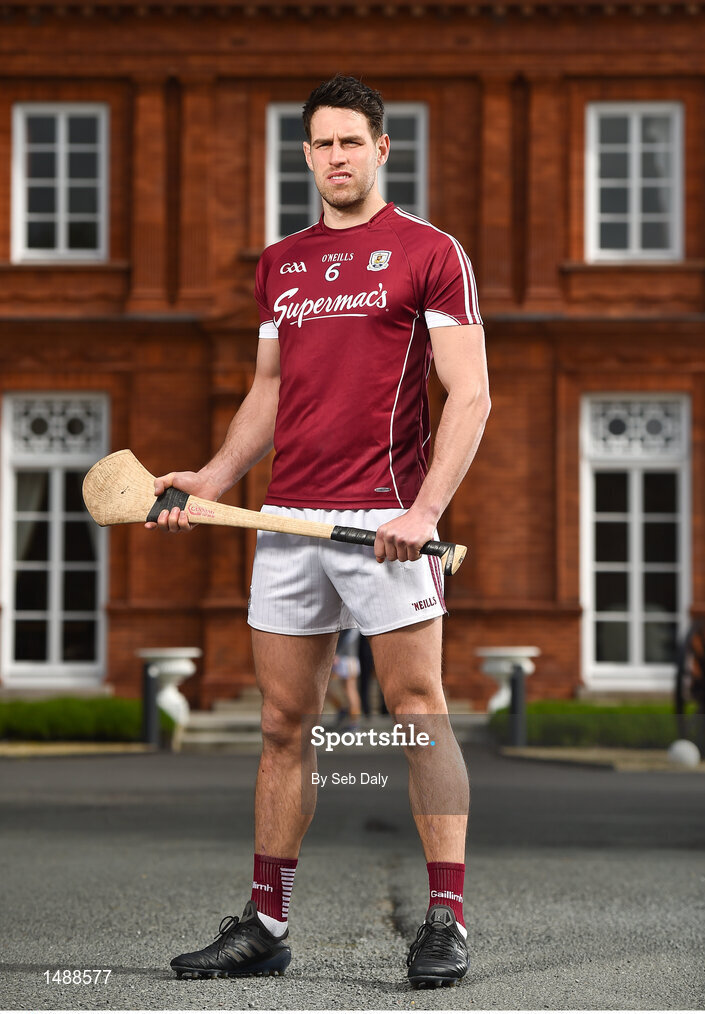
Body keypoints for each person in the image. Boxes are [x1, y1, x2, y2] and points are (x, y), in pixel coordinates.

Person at [146, 74, 490, 989]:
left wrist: (422, 512)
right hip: (286, 518)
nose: (335, 158)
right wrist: (216, 478)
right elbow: (269, 389)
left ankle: (446, 920)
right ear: (305, 157)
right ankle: (264, 922)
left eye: (351, 142)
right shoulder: (281, 263)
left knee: (418, 715)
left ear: (382, 149)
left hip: (385, 516)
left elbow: (471, 391)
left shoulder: (428, 252)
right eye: (320, 145)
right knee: (281, 722)